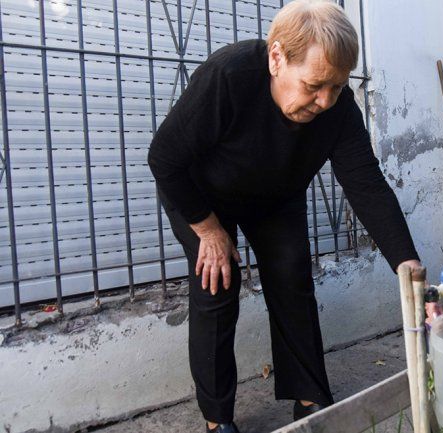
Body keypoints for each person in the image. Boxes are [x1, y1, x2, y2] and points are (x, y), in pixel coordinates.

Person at [147, 1, 421, 432]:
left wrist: (407, 263)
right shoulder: (229, 76)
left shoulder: (337, 109)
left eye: (337, 86)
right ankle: (217, 419)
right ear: (277, 58)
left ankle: (311, 399)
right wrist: (209, 231)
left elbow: (366, 184)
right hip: (201, 195)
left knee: (292, 275)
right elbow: (163, 157)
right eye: (314, 85)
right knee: (217, 285)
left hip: (274, 194)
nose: (325, 100)